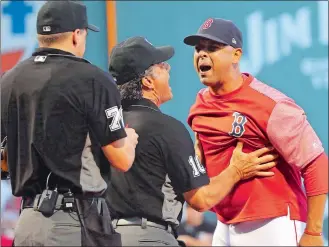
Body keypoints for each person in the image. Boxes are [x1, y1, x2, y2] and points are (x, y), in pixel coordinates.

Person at [106, 36, 278, 246]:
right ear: (148, 81)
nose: (168, 70)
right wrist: (237, 170)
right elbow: (201, 199)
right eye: (162, 66)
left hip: (104, 236)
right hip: (148, 237)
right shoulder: (165, 127)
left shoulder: (103, 123)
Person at [0, 1, 138, 246]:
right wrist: (130, 141)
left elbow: (3, 163)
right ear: (76, 35)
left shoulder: (8, 81)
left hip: (27, 223)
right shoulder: (94, 79)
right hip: (74, 220)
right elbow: (122, 159)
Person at [184, 17, 328, 246]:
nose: (202, 54)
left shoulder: (269, 104)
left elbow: (316, 162)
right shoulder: (200, 103)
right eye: (198, 49)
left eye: (213, 48)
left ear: (236, 55)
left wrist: (313, 232)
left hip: (272, 221)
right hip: (225, 222)